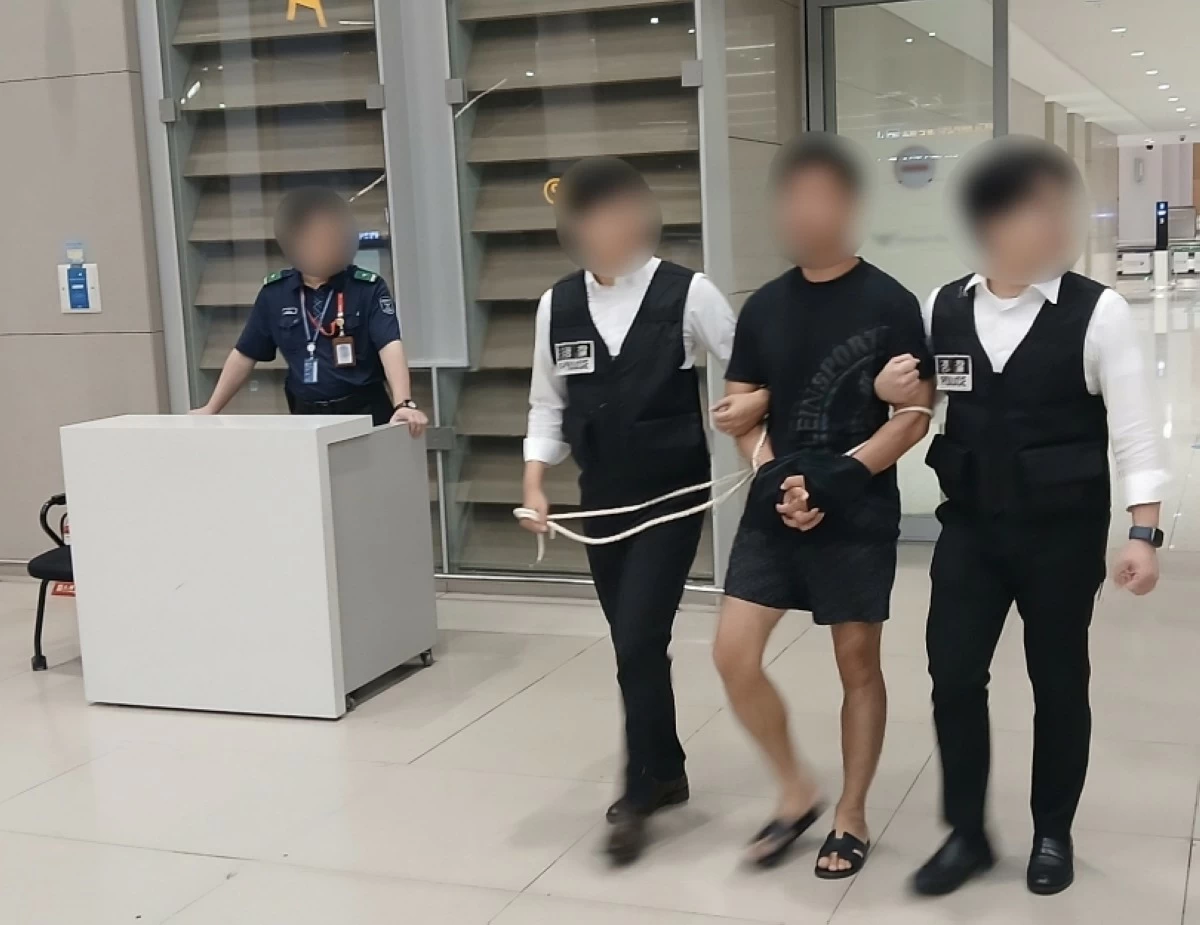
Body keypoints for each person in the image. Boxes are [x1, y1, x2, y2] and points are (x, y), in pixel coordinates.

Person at [874, 137, 1170, 897]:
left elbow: (1136, 428)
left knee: (1059, 681)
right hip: (970, 528)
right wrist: (890, 387)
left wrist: (1143, 530)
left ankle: (1051, 831)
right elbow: (920, 404)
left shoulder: (1096, 313)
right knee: (953, 675)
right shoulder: (945, 306)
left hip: (1061, 534)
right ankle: (967, 832)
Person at [520, 157, 762, 865]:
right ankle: (669, 767)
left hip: (672, 497)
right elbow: (547, 405)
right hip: (600, 502)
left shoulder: (690, 294)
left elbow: (749, 365)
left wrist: (752, 413)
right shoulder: (555, 306)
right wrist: (536, 483)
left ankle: (636, 790)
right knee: (637, 646)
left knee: (634, 638)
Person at [711, 133, 934, 878]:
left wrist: (837, 477)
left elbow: (915, 413)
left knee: (856, 662)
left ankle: (851, 814)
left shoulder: (891, 302)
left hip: (859, 504)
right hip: (776, 504)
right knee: (732, 653)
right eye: (793, 199)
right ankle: (796, 788)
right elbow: (743, 411)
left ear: (849, 207)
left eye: (821, 197)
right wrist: (776, 479)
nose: (806, 213)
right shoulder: (764, 308)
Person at [194, 187, 428, 434]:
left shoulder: (367, 288)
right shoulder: (275, 293)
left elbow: (389, 344)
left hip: (364, 412)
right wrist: (212, 408)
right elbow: (245, 353)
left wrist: (403, 402)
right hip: (305, 417)